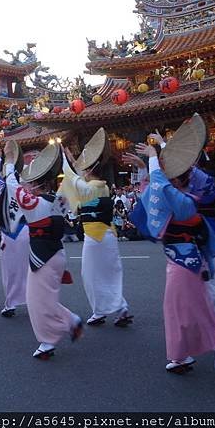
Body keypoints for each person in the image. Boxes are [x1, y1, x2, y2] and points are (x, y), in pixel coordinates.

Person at [133, 114, 215, 374]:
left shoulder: (185, 201)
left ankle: (209, 344)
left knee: (188, 309)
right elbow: (153, 189)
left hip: (186, 261)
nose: (168, 175)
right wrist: (149, 160)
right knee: (185, 307)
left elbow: (159, 186)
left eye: (174, 173)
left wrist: (155, 156)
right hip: (183, 259)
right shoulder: (178, 195)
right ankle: (182, 355)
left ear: (180, 179)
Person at [4, 141, 82, 359]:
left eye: (30, 184)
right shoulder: (60, 200)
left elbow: (12, 185)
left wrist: (10, 161)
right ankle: (71, 321)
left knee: (37, 301)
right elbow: (72, 185)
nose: (27, 187)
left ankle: (48, 341)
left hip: (43, 258)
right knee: (43, 298)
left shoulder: (34, 204)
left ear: (38, 185)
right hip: (57, 253)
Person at [59, 129, 132, 327]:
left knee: (90, 275)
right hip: (108, 235)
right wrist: (73, 159)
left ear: (90, 171)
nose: (82, 171)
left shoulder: (89, 188)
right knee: (110, 273)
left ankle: (101, 311)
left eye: (85, 169)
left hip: (95, 237)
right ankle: (119, 308)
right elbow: (77, 175)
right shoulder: (103, 186)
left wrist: (64, 158)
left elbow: (71, 176)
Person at [0, 146, 29, 317]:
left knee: (9, 271)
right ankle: (33, 299)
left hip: (9, 233)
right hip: (26, 231)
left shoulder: (3, 185)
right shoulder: (24, 188)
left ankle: (10, 304)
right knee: (30, 269)